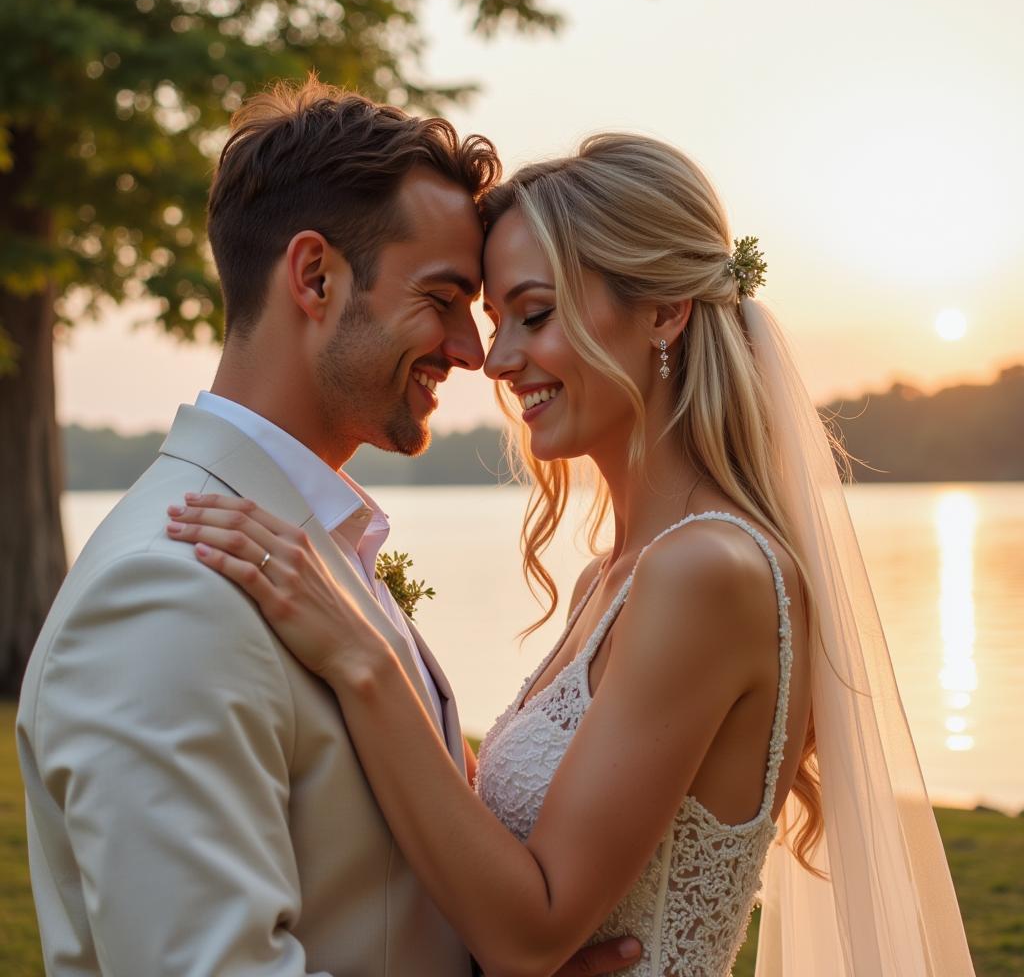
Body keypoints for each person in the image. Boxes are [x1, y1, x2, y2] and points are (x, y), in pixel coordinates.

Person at [168, 134, 977, 976]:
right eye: (494, 321)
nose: (498, 359)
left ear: (665, 310)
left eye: (536, 313)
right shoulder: (617, 577)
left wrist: (363, 660)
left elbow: (531, 934)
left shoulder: (707, 573)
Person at [16, 82, 639, 976]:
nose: (473, 351)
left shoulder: (299, 546)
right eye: (443, 298)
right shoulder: (169, 591)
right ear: (315, 277)